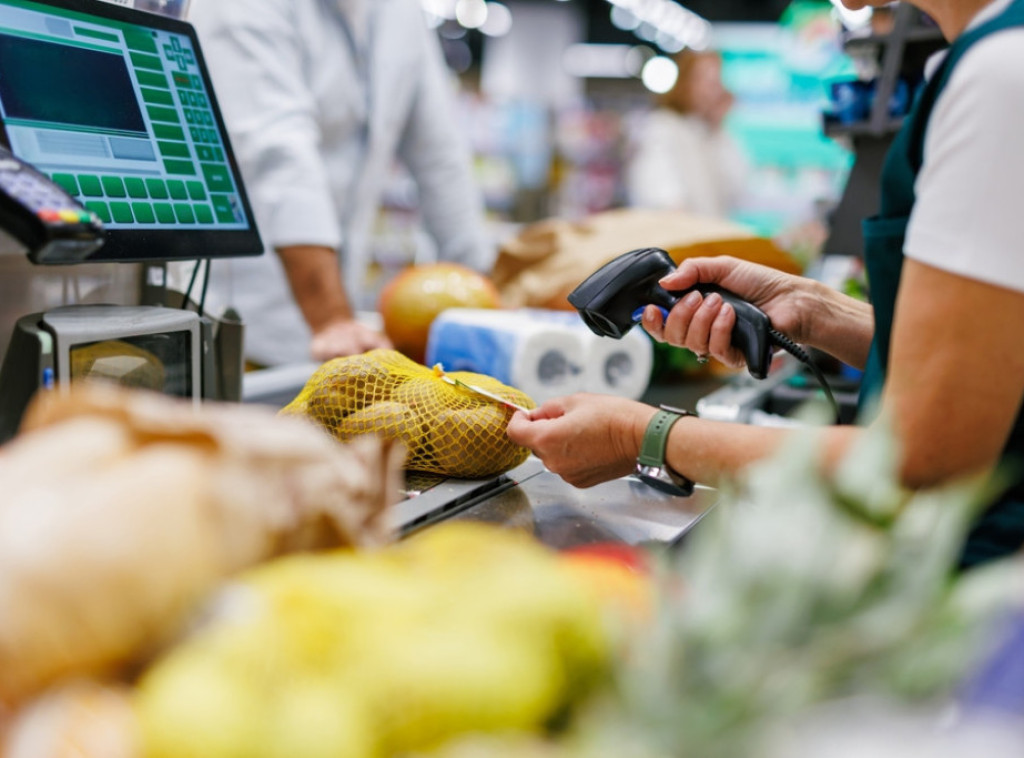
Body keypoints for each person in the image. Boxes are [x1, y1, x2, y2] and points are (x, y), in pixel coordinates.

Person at [508, 0, 1024, 569]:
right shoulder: (989, 62)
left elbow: (919, 463)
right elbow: (987, 356)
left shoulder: (999, 78)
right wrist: (815, 309)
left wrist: (642, 436)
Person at [188, 0, 492, 366]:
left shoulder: (399, 13)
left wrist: (487, 307)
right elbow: (280, 158)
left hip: (341, 325)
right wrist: (332, 320)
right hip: (244, 334)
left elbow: (440, 159)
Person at [624, 48, 749, 219]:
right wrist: (678, 216)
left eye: (716, 82)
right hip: (679, 231)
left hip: (707, 231)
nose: (713, 91)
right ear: (685, 83)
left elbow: (736, 190)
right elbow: (658, 187)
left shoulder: (711, 133)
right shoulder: (663, 126)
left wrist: (719, 128)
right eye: (705, 81)